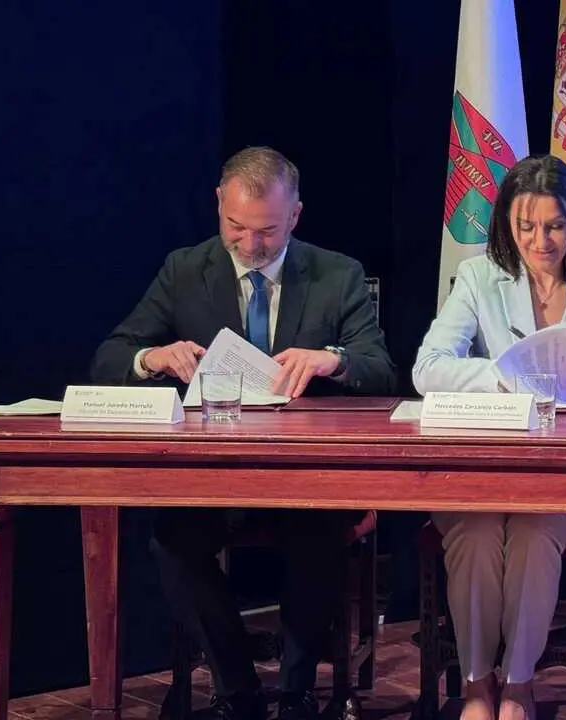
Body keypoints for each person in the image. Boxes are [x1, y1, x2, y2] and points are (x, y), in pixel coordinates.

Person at [91, 146, 397, 720]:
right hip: (213, 480)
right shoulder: (185, 270)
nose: (251, 246)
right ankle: (238, 691)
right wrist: (154, 357)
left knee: (320, 533)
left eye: (268, 232)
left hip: (308, 481)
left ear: (296, 216)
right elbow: (110, 356)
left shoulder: (338, 274)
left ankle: (299, 692)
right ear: (218, 207)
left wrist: (333, 359)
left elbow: (381, 367)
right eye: (237, 228)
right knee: (172, 540)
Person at [412, 154, 566, 720]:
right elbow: (428, 368)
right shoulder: (478, 277)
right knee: (474, 531)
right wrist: (505, 376)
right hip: (482, 471)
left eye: (555, 226)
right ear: (506, 225)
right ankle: (476, 682)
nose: (541, 240)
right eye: (526, 226)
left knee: (533, 532)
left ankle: (518, 682)